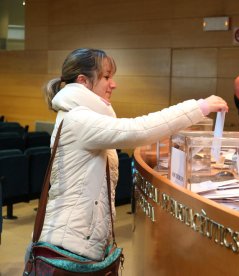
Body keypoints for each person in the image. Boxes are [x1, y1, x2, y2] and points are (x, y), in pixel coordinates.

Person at [33, 48, 228, 261]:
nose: (113, 84)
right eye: (106, 77)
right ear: (83, 81)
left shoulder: (79, 115)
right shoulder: (78, 119)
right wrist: (200, 107)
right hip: (71, 243)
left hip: (79, 238)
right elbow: (138, 130)